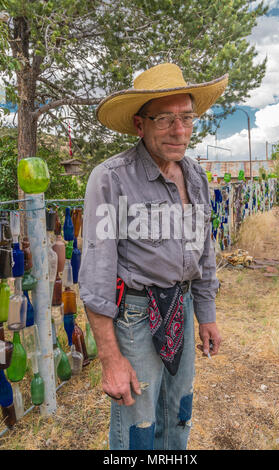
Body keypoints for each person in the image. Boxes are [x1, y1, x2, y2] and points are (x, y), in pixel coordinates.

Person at [78, 63, 228, 450]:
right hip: (135, 316)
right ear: (140, 124)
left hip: (183, 304)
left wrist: (206, 316)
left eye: (187, 118)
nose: (180, 131)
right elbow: (96, 278)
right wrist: (110, 359)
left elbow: (204, 249)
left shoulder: (195, 175)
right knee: (138, 429)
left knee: (178, 415)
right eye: (165, 119)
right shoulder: (111, 178)